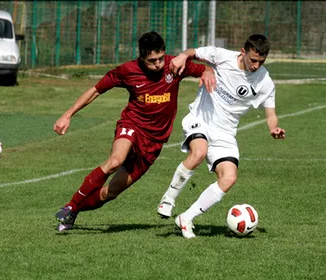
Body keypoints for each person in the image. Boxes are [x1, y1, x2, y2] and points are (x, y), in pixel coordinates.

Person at [53, 31, 215, 232]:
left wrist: (206, 71)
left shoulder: (175, 65)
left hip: (154, 143)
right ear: (141, 57)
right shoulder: (127, 70)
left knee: (108, 194)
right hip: (132, 125)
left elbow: (204, 69)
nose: (157, 64)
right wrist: (68, 114)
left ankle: (73, 212)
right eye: (151, 61)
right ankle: (71, 204)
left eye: (160, 58)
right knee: (115, 161)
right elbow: (96, 90)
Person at [156, 34, 286, 238]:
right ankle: (168, 199)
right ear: (243, 52)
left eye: (261, 61)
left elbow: (271, 114)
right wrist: (182, 56)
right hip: (201, 118)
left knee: (229, 177)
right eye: (253, 59)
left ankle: (186, 218)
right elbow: (194, 52)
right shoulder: (223, 56)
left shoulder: (265, 81)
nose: (256, 65)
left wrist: (273, 128)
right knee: (199, 152)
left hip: (225, 132)